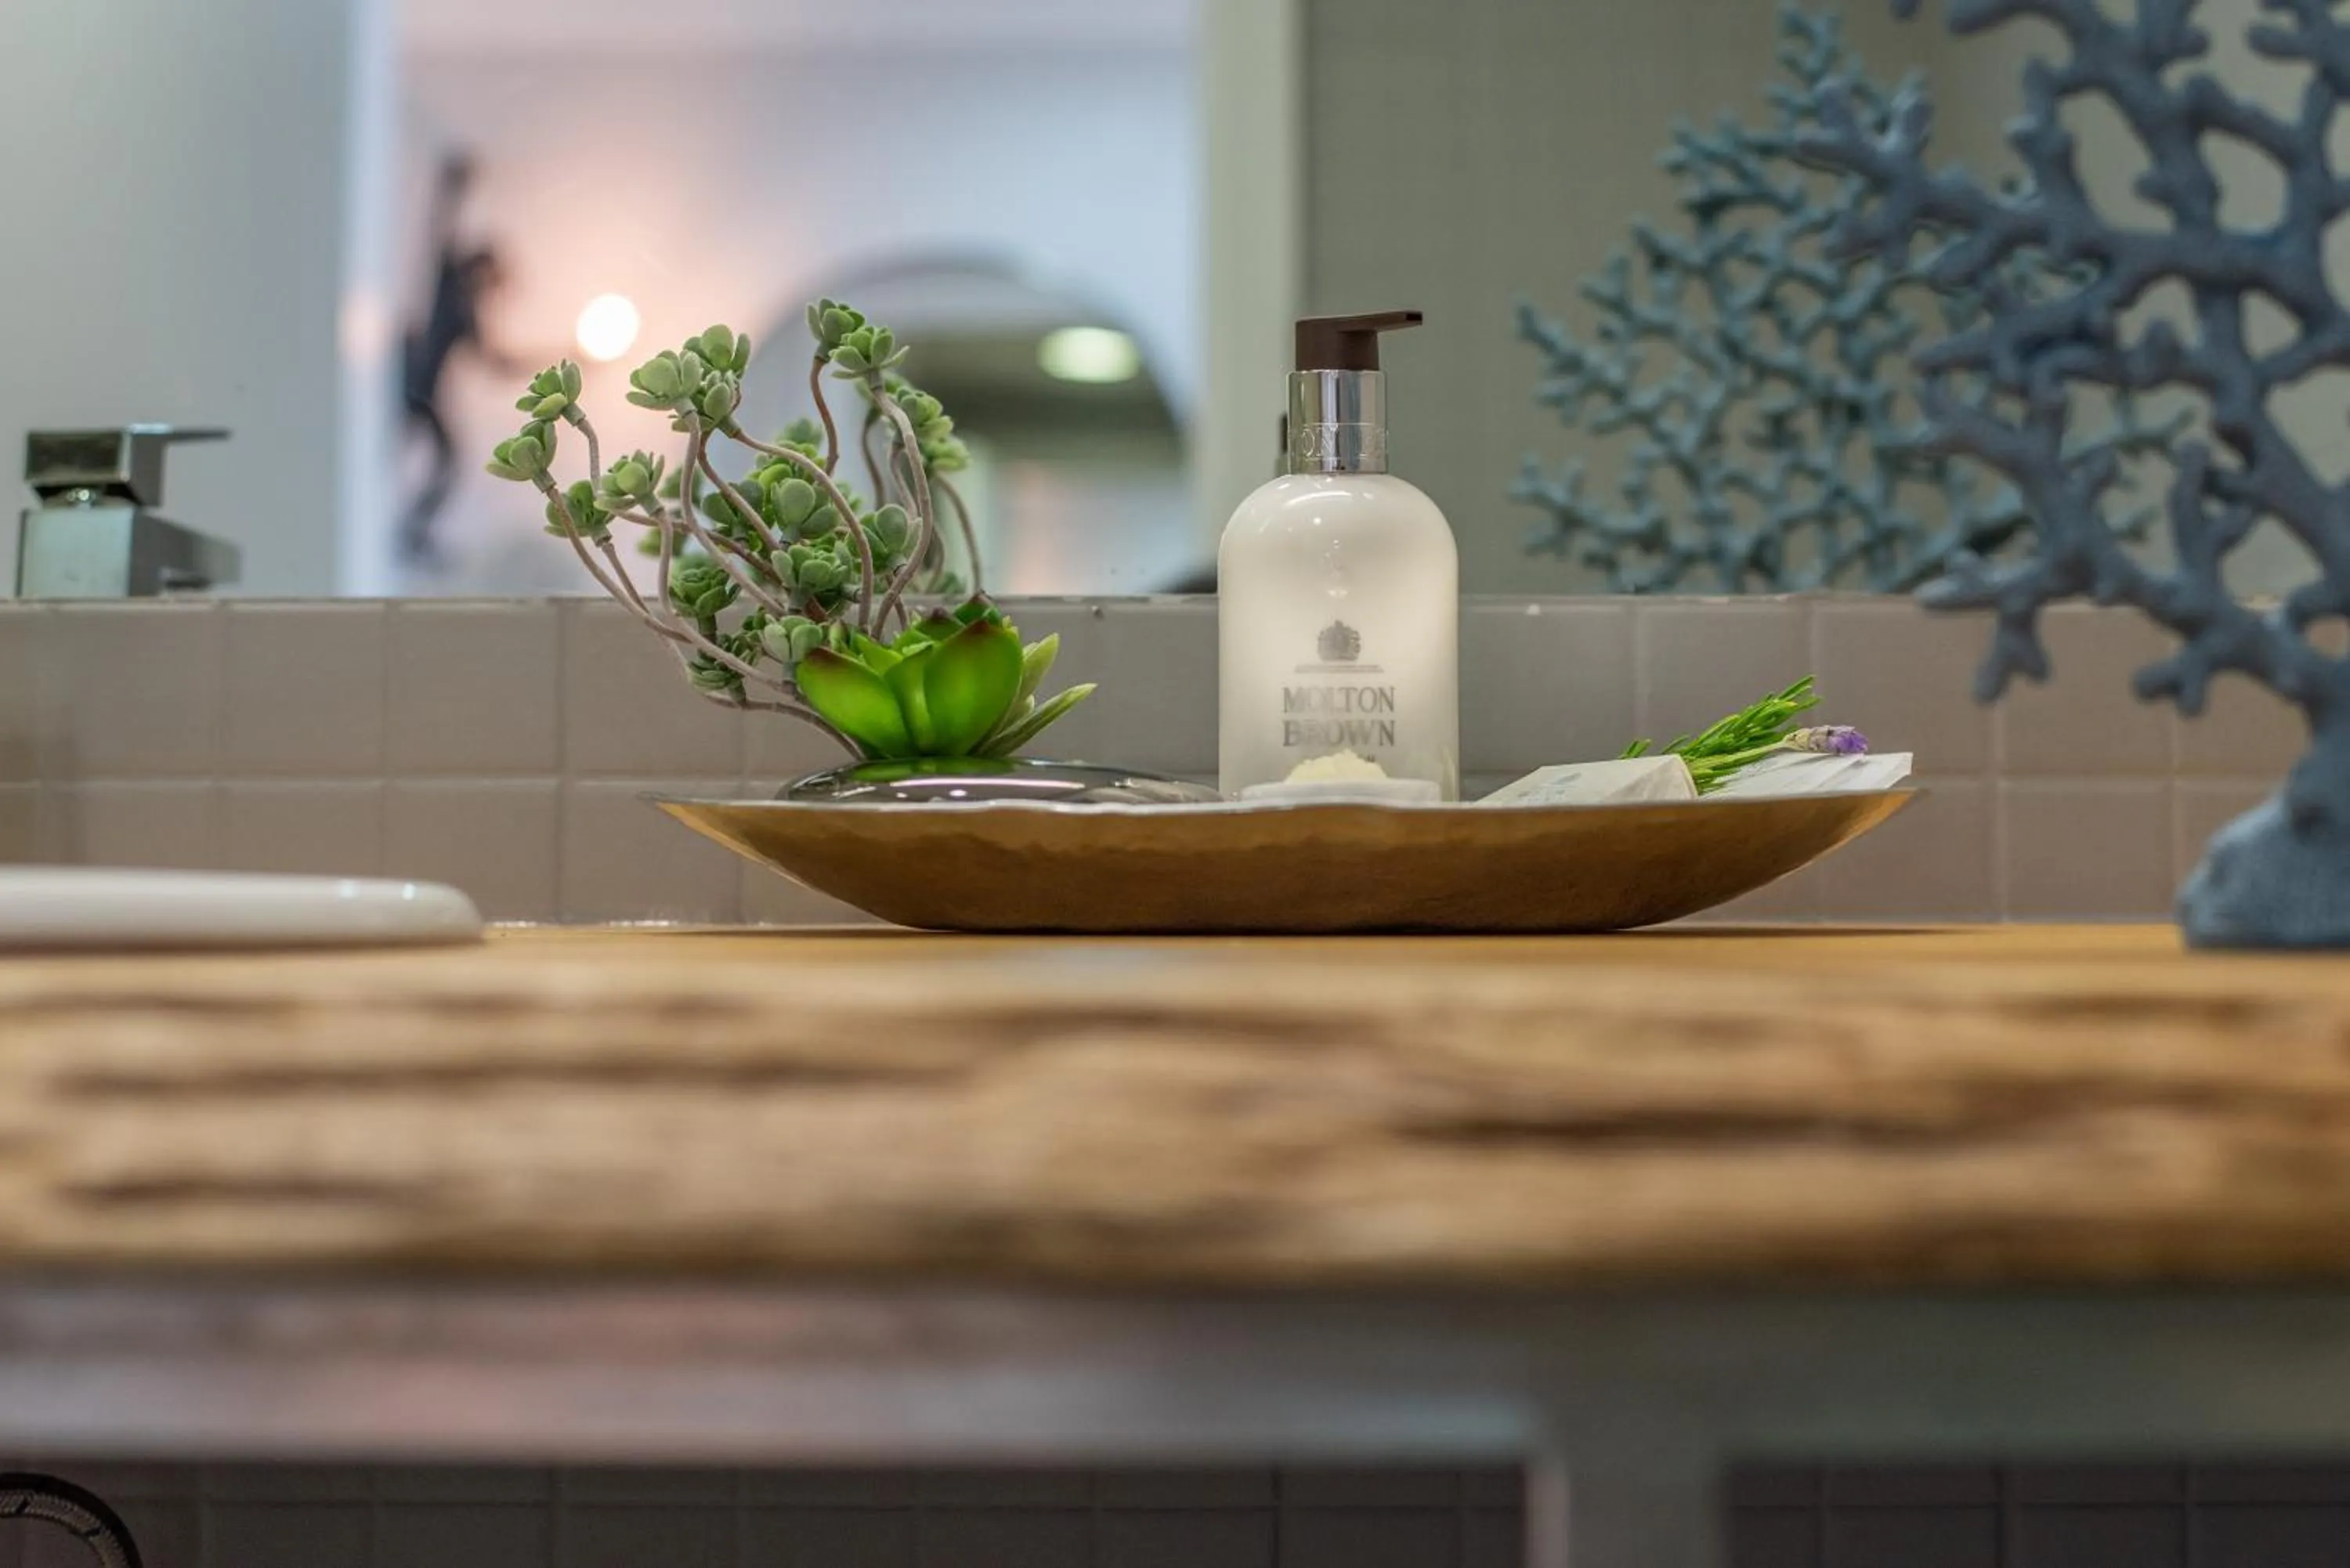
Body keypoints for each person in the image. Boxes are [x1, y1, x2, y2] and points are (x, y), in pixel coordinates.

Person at [399, 154, 529, 565]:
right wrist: (453, 187)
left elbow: (500, 364)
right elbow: (441, 229)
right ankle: (413, 532)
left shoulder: (466, 311)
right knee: (446, 459)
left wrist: (567, 355)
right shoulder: (451, 281)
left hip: (421, 387)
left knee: (447, 460)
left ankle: (414, 532)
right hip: (412, 380)